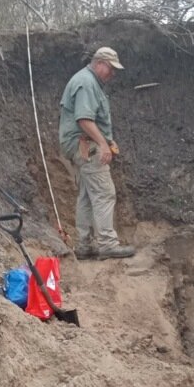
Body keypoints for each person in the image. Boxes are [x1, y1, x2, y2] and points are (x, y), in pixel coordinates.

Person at [59, 46, 135, 260]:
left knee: (86, 196)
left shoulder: (86, 81)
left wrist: (107, 140)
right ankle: (108, 244)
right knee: (104, 193)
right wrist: (102, 144)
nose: (113, 74)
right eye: (111, 69)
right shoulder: (87, 83)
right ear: (100, 63)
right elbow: (84, 119)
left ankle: (85, 245)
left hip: (78, 146)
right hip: (86, 145)